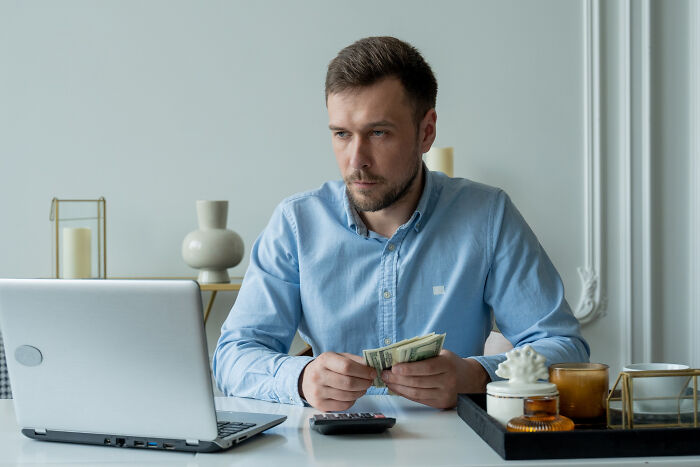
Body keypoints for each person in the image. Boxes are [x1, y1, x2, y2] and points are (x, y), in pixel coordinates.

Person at [213, 36, 589, 412]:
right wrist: (301, 378)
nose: (356, 160)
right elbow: (232, 357)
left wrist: (476, 377)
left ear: (426, 132)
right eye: (342, 134)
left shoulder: (488, 215)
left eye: (378, 133)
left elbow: (565, 348)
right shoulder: (296, 224)